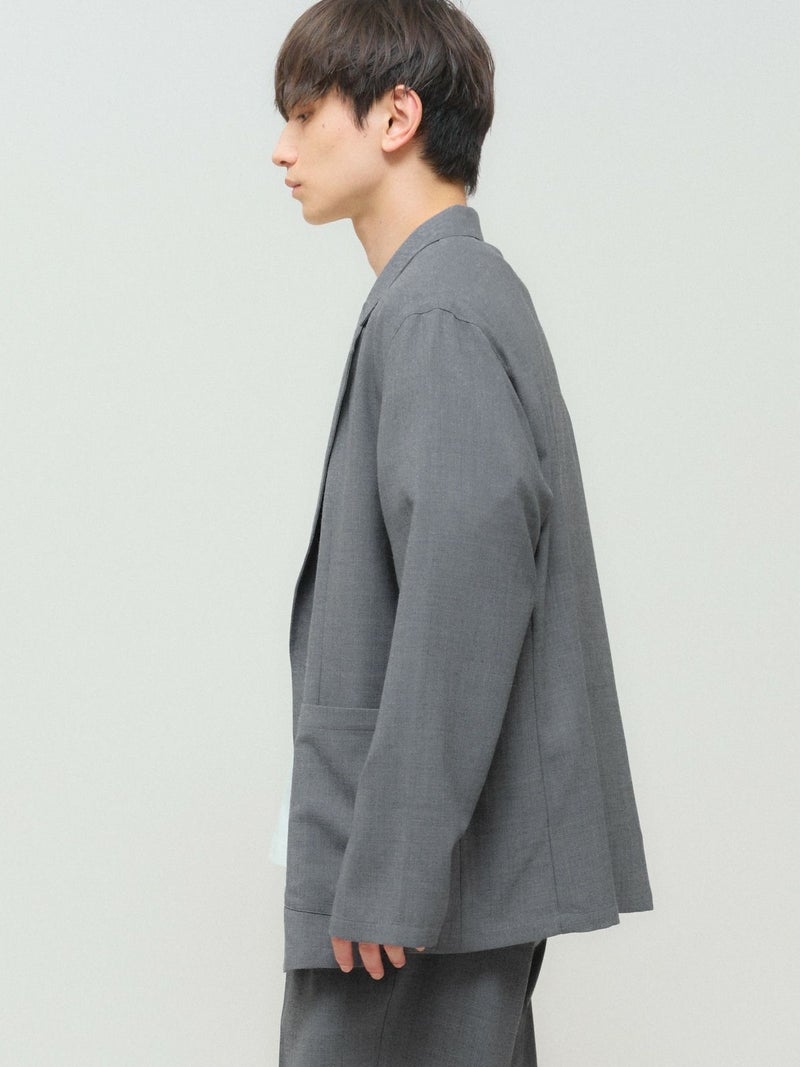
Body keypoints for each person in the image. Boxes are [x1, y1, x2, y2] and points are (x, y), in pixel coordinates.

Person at [270, 1, 654, 1063]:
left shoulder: (437, 309)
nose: (282, 149)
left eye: (303, 114)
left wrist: (392, 869)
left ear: (395, 117)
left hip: (416, 886)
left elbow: (463, 594)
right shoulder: (440, 297)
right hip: (432, 874)